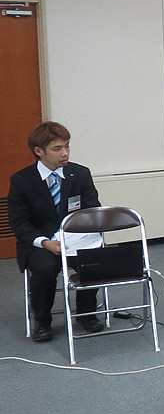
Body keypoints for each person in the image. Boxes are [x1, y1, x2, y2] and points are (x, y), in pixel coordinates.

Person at [8, 122, 104, 342]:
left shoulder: (80, 174)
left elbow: (92, 210)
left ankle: (86, 314)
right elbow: (20, 223)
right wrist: (44, 242)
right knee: (45, 269)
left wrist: (82, 235)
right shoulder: (22, 181)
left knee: (95, 261)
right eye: (57, 149)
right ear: (39, 151)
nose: (65, 153)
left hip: (76, 238)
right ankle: (42, 321)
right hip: (41, 242)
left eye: (67, 146)